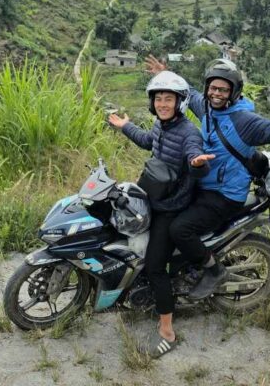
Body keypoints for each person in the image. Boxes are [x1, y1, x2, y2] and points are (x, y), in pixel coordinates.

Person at [145, 55, 270, 300]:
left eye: (223, 89)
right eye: (213, 88)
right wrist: (164, 74)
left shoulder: (244, 121)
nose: (216, 93)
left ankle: (213, 271)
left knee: (180, 229)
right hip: (203, 186)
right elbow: (190, 90)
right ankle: (179, 269)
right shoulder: (206, 107)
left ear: (233, 92)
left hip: (224, 195)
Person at [107, 70, 214, 358]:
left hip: (172, 206)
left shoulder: (189, 133)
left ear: (180, 102)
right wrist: (125, 126)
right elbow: (147, 140)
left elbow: (194, 155)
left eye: (169, 99)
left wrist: (198, 163)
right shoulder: (162, 126)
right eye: (158, 99)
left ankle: (167, 331)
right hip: (155, 198)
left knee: (155, 266)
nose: (163, 103)